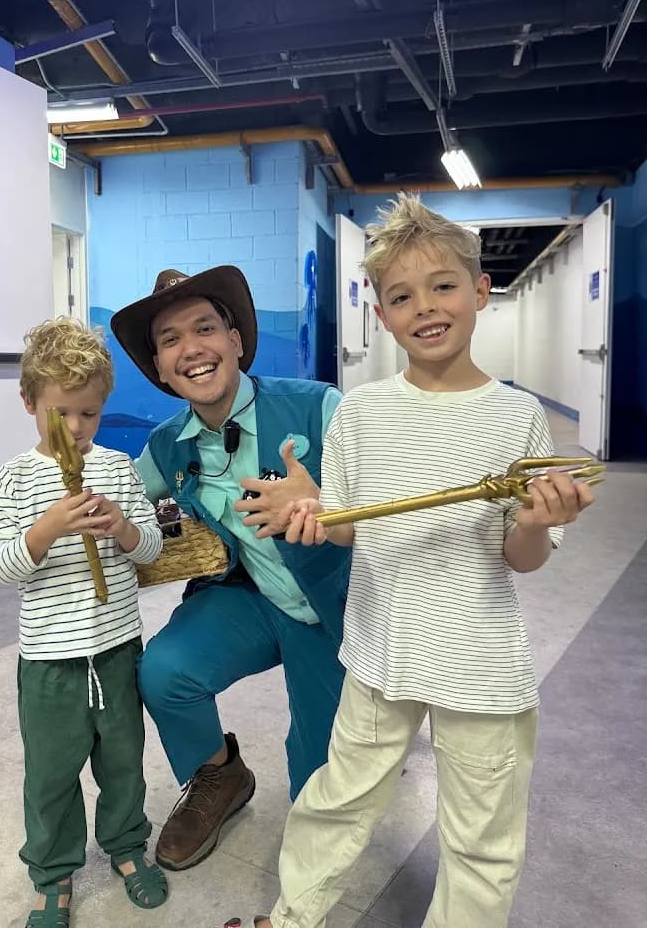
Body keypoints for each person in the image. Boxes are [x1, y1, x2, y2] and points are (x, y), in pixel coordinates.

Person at [252, 194, 597, 928]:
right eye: (402, 296)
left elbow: (522, 557)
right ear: (381, 314)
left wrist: (536, 522)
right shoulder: (362, 411)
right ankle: (292, 915)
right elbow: (349, 531)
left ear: (480, 290)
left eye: (443, 286)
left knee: (482, 836)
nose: (426, 307)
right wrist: (313, 511)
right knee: (338, 799)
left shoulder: (518, 417)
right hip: (382, 651)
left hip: (480, 664)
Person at [111, 265, 351, 872]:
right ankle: (220, 774)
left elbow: (392, 502)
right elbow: (123, 502)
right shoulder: (167, 444)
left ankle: (367, 723)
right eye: (170, 340)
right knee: (163, 671)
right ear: (160, 368)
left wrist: (326, 503)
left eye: (205, 328)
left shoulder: (319, 407)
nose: (191, 349)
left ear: (237, 339)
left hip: (338, 608)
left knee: (318, 781)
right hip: (252, 597)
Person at [0, 317, 169, 928]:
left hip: (116, 650)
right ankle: (53, 873)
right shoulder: (15, 478)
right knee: (51, 775)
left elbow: (151, 551)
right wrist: (45, 530)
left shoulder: (117, 468)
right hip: (49, 663)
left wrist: (124, 528)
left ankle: (126, 845)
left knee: (123, 762)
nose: (76, 427)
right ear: (28, 401)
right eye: (60, 413)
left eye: (89, 413)